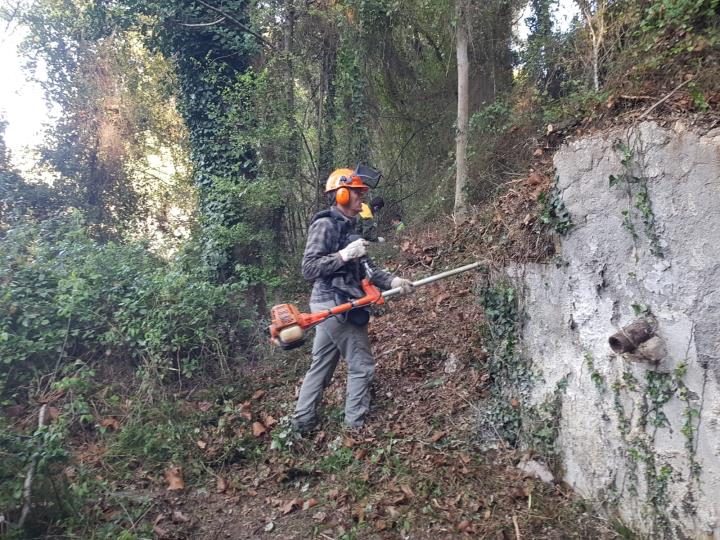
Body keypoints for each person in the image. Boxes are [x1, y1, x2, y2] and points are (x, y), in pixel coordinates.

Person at [293, 167, 413, 433]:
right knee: (362, 366)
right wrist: (343, 256)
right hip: (337, 306)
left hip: (335, 306)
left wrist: (394, 281)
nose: (362, 199)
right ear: (342, 194)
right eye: (358, 194)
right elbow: (309, 268)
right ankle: (354, 428)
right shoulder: (325, 224)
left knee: (321, 365)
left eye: (362, 194)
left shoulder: (352, 229)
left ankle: (303, 422)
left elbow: (367, 269)